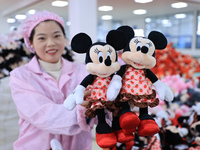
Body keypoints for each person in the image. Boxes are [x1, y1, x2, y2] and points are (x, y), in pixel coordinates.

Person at [9, 11, 95, 150]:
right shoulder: (20, 76)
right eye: (42, 38)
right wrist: (86, 111)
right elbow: (44, 115)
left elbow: (102, 107)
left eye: (56, 36)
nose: (51, 43)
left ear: (64, 38)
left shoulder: (84, 71)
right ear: (30, 42)